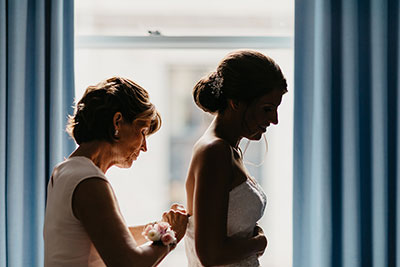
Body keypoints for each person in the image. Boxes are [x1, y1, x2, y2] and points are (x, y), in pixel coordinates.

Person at [43, 77, 188, 266]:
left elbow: (109, 238)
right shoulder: (88, 181)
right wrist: (171, 236)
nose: (144, 147)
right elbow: (128, 263)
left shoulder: (65, 171)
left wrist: (157, 228)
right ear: (117, 122)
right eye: (143, 131)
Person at [185, 50, 288, 267]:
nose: (275, 120)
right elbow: (210, 255)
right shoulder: (215, 152)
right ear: (235, 102)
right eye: (267, 109)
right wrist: (259, 242)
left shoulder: (229, 150)